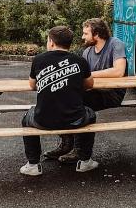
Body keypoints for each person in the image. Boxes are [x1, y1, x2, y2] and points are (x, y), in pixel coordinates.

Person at [43, 17, 128, 166]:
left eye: (85, 33)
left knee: (75, 103)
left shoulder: (115, 44)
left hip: (112, 93)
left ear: (96, 33)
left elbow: (119, 71)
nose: (82, 37)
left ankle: (77, 149)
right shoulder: (87, 51)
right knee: (60, 98)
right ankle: (66, 143)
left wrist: (89, 74)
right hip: (93, 91)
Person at [20, 26, 96, 176]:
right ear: (69, 43)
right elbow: (89, 85)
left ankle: (33, 164)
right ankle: (85, 161)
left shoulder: (39, 60)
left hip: (43, 120)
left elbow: (32, 85)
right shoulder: (80, 61)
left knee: (26, 118)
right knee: (91, 114)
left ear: (52, 42)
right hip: (75, 119)